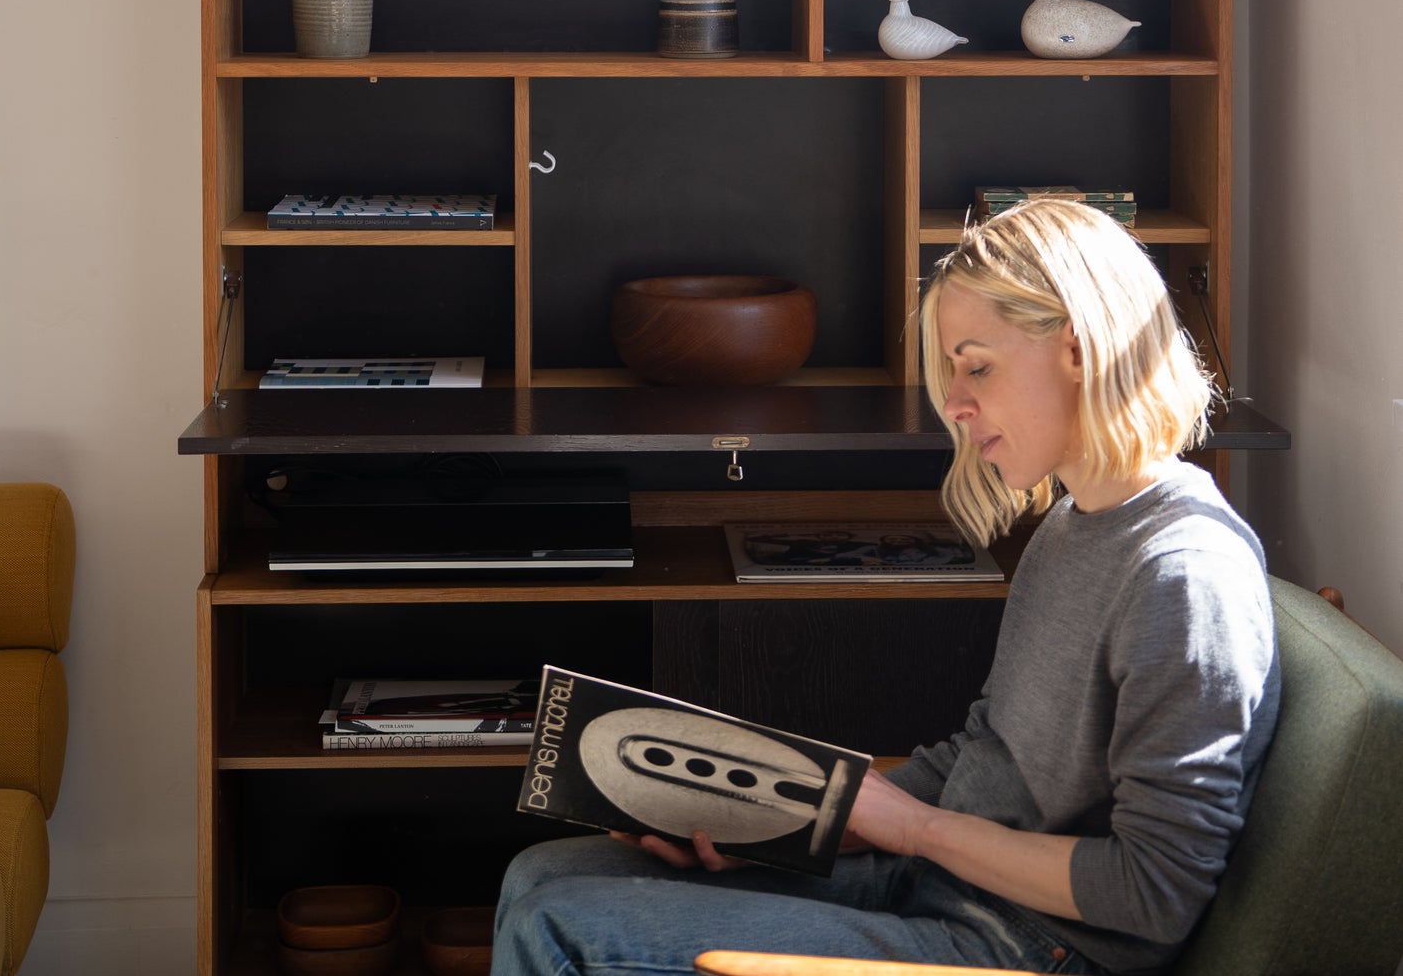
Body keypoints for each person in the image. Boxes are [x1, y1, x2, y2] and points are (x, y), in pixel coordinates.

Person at [492, 199, 1280, 976]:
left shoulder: (1182, 577)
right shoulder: (1076, 523)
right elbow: (987, 756)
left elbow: (1155, 893)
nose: (956, 404)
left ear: (1078, 348)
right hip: (948, 882)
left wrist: (913, 829)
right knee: (539, 876)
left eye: (976, 364)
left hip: (1031, 944)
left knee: (554, 925)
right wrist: (781, 823)